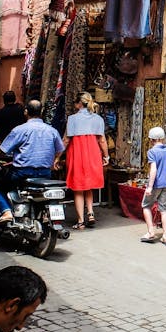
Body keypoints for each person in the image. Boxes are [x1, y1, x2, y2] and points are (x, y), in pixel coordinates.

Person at [0, 100, 64, 224]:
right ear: (41, 112)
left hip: (22, 172)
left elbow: (3, 150)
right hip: (45, 173)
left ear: (26, 111)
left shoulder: (20, 130)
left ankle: (6, 212)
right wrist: (55, 160)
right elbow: (60, 149)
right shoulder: (52, 130)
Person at [63, 92, 107, 230]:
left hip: (77, 155)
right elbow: (102, 140)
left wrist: (57, 157)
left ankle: (81, 221)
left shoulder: (72, 119)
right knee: (88, 186)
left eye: (75, 102)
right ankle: (91, 213)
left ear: (79, 104)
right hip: (93, 154)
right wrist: (106, 156)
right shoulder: (98, 119)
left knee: (78, 189)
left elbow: (66, 140)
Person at [140, 127, 166, 245]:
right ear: (163, 139)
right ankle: (165, 235)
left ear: (152, 140)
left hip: (156, 184)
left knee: (146, 206)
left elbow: (153, 169)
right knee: (164, 210)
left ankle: (151, 232)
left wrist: (150, 187)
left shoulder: (152, 152)